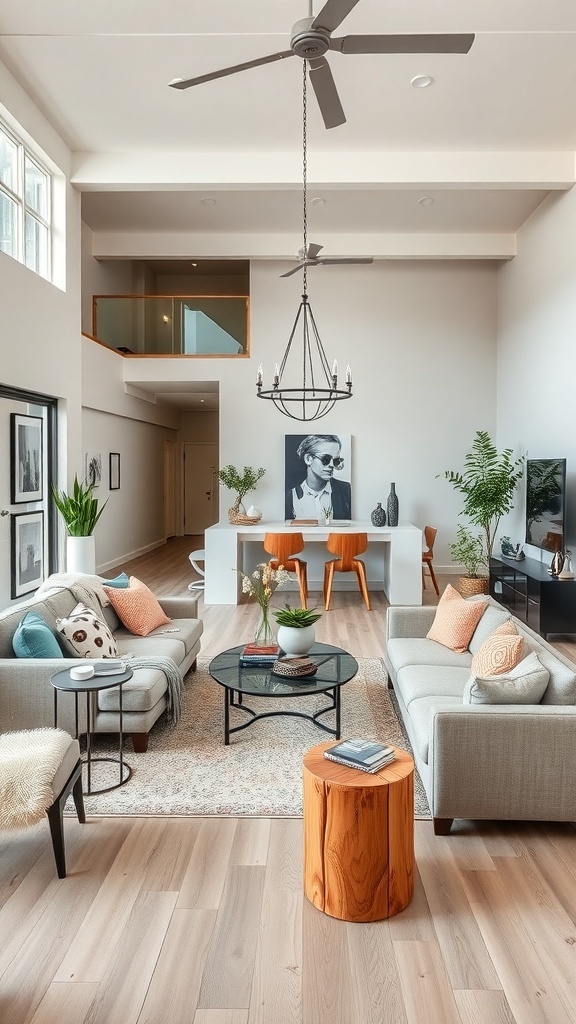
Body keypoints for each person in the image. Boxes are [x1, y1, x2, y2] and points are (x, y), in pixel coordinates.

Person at [285, 434, 351, 520]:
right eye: (325, 459)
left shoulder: (346, 491)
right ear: (308, 459)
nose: (331, 465)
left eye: (336, 460)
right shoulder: (290, 496)